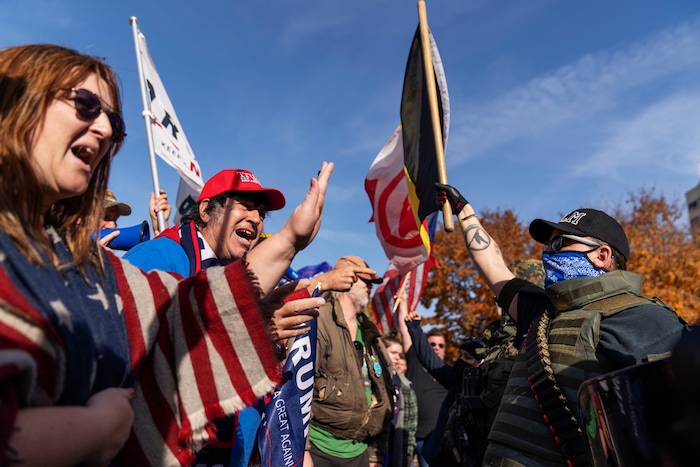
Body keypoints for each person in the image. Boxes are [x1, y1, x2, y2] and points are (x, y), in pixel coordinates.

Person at [0, 43, 333, 466]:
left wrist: (286, 248)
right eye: (85, 104)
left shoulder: (82, 265)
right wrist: (98, 431)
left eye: (113, 121)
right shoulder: (161, 253)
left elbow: (183, 319)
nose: (103, 129)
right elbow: (150, 359)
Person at [434, 182, 687, 466]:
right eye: (547, 245)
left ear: (602, 255)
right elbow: (492, 264)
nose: (547, 253)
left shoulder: (644, 318)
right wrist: (464, 214)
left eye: (559, 244)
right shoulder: (542, 312)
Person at [305, 255, 395, 467]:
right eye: (366, 280)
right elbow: (298, 391)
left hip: (360, 454)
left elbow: (384, 395)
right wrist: (302, 449)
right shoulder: (319, 321)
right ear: (347, 278)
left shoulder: (372, 334)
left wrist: (375, 456)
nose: (370, 287)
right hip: (319, 451)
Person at [397, 301, 449, 467]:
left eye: (441, 345)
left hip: (434, 439)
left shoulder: (450, 373)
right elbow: (405, 331)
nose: (436, 348)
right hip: (407, 434)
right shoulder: (415, 360)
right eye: (432, 344)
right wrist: (403, 302)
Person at [382, 335, 418, 467]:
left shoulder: (404, 384)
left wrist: (409, 451)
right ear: (381, 350)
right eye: (393, 353)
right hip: (376, 445)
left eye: (399, 353)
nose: (398, 357)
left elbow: (411, 423)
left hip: (396, 444)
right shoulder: (372, 379)